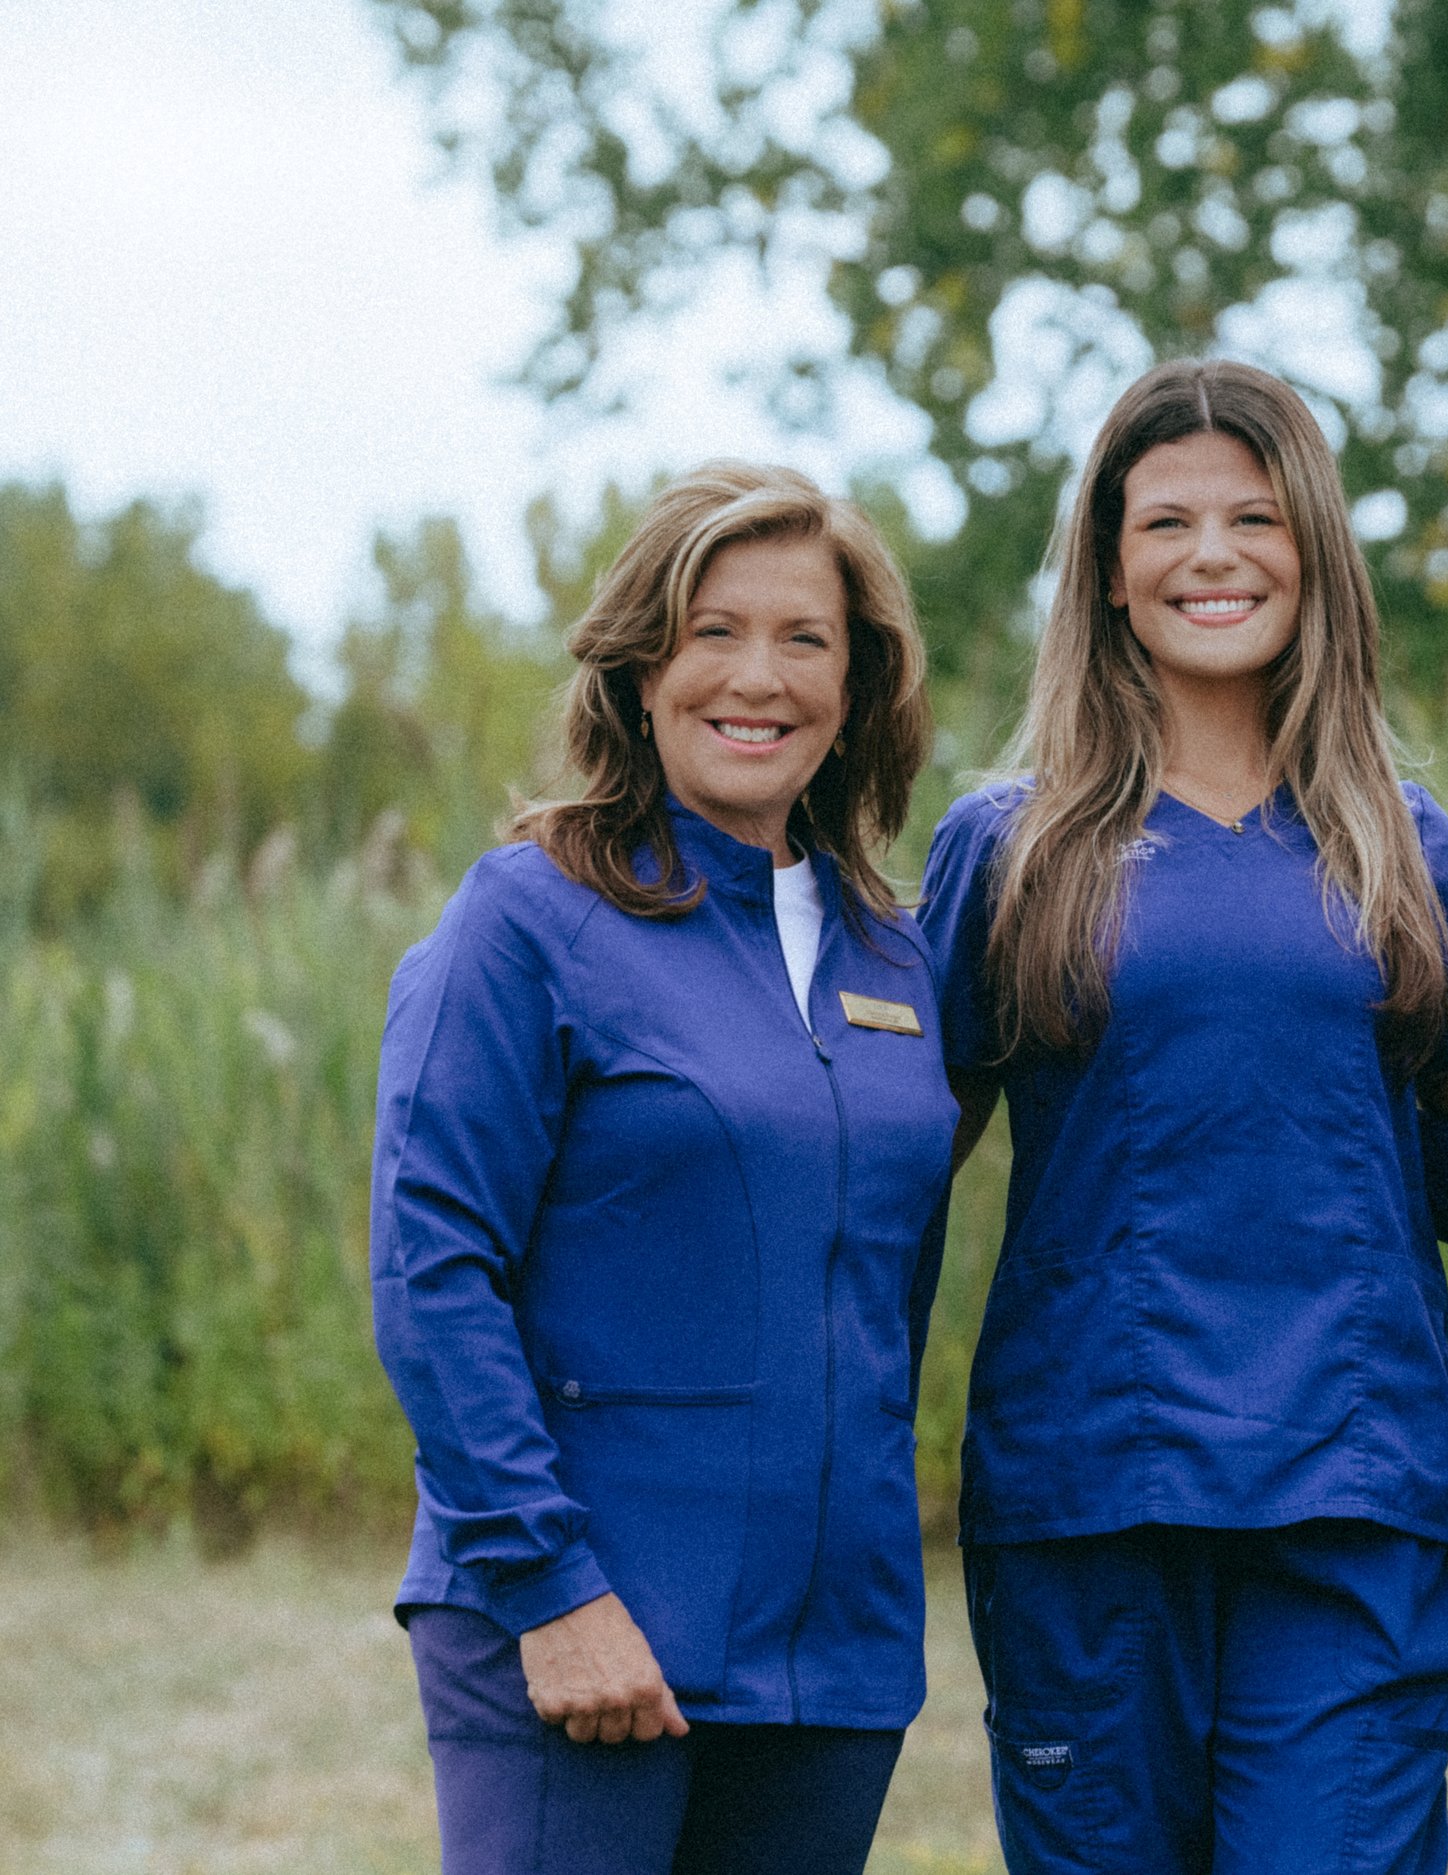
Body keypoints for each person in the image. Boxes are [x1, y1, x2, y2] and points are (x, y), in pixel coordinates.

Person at [918, 359, 1448, 1875]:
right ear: (1110, 572)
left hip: (1353, 1486)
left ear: (1312, 553)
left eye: (1255, 516)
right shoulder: (1011, 847)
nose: (1213, 554)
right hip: (1088, 1489)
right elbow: (886, 1169)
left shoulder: (1395, 836)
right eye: (1166, 520)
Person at [369, 462, 955, 1875]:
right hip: (585, 1633)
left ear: (857, 684)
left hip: (835, 1663)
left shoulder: (898, 957)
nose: (758, 677)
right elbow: (431, 1267)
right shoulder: (529, 917)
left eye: (804, 639)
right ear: (641, 669)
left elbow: (889, 1293)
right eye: (714, 632)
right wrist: (548, 1587)